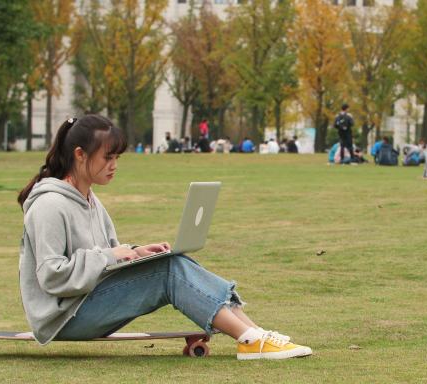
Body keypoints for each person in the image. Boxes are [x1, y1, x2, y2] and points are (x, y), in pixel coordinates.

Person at [16, 115, 312, 360]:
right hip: (65, 318)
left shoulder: (90, 199)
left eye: (117, 156)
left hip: (88, 301)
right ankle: (249, 341)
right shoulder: (49, 205)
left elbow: (105, 256)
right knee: (168, 272)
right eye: (107, 157)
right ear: (80, 155)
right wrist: (112, 255)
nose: (114, 164)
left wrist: (135, 252)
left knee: (173, 261)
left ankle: (256, 334)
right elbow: (51, 276)